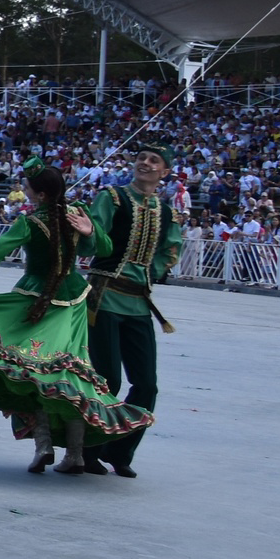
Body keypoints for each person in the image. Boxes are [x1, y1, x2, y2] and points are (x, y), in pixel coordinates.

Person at [0, 158, 152, 475]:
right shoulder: (78, 214)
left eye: (28, 187)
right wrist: (91, 232)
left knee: (35, 374)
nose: (24, 190)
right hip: (74, 303)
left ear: (42, 195)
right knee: (70, 375)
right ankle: (74, 453)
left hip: (36, 302)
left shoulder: (30, 223)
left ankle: (45, 445)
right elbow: (104, 247)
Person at [84, 141, 183, 478]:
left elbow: (171, 248)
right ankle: (88, 450)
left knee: (146, 384)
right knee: (106, 379)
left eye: (154, 160)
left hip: (139, 303)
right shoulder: (112, 197)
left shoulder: (166, 210)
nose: (145, 163)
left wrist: (150, 273)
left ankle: (121, 450)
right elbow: (94, 235)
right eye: (141, 157)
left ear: (164, 172)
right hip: (104, 297)